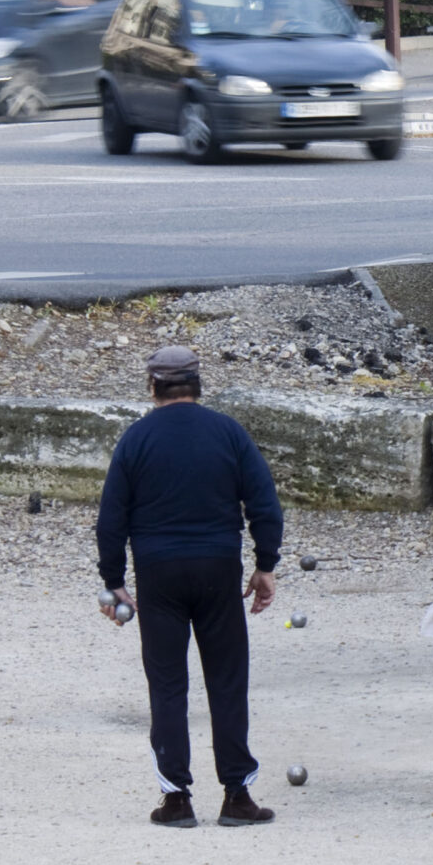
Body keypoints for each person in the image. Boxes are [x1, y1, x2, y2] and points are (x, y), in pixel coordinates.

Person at [96, 345, 285, 829]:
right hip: (218, 565)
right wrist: (265, 564)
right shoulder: (228, 432)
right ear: (198, 384)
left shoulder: (136, 439)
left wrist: (113, 580)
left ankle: (176, 797)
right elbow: (264, 503)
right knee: (226, 680)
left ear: (153, 386)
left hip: (158, 571)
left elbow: (111, 518)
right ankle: (238, 795)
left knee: (167, 683)